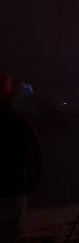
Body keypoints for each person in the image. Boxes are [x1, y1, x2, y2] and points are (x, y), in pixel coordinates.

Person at [0, 73, 43, 243]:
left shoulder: (20, 122)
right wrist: (29, 185)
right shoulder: (19, 123)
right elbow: (36, 157)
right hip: (13, 191)